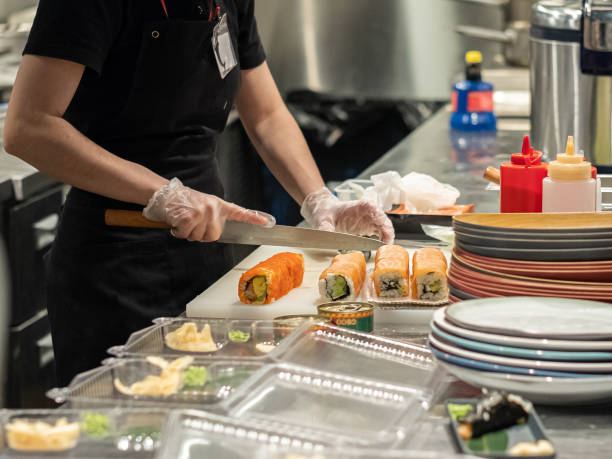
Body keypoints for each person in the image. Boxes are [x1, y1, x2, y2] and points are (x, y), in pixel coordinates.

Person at [4, 0, 394, 386]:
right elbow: (28, 128)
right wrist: (163, 194)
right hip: (114, 265)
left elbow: (266, 115)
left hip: (208, 252)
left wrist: (318, 199)